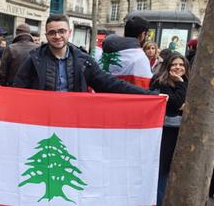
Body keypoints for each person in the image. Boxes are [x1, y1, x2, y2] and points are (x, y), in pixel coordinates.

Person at [13, 15, 156, 95]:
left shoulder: (83, 61)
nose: (57, 36)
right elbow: (18, 93)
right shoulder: (33, 60)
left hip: (73, 120)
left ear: (69, 32)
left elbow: (109, 83)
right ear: (46, 35)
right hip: (41, 120)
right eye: (52, 32)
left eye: (61, 31)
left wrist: (150, 95)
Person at [149, 53, 190, 206]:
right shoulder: (160, 82)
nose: (178, 67)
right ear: (167, 66)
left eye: (181, 64)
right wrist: (180, 84)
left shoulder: (190, 82)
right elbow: (175, 103)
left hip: (183, 133)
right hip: (165, 132)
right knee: (163, 171)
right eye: (174, 64)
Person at [94, 15, 153, 89]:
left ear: (125, 33)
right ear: (143, 35)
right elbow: (144, 89)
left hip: (100, 98)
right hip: (124, 99)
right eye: (147, 35)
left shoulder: (102, 52)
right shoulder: (140, 58)